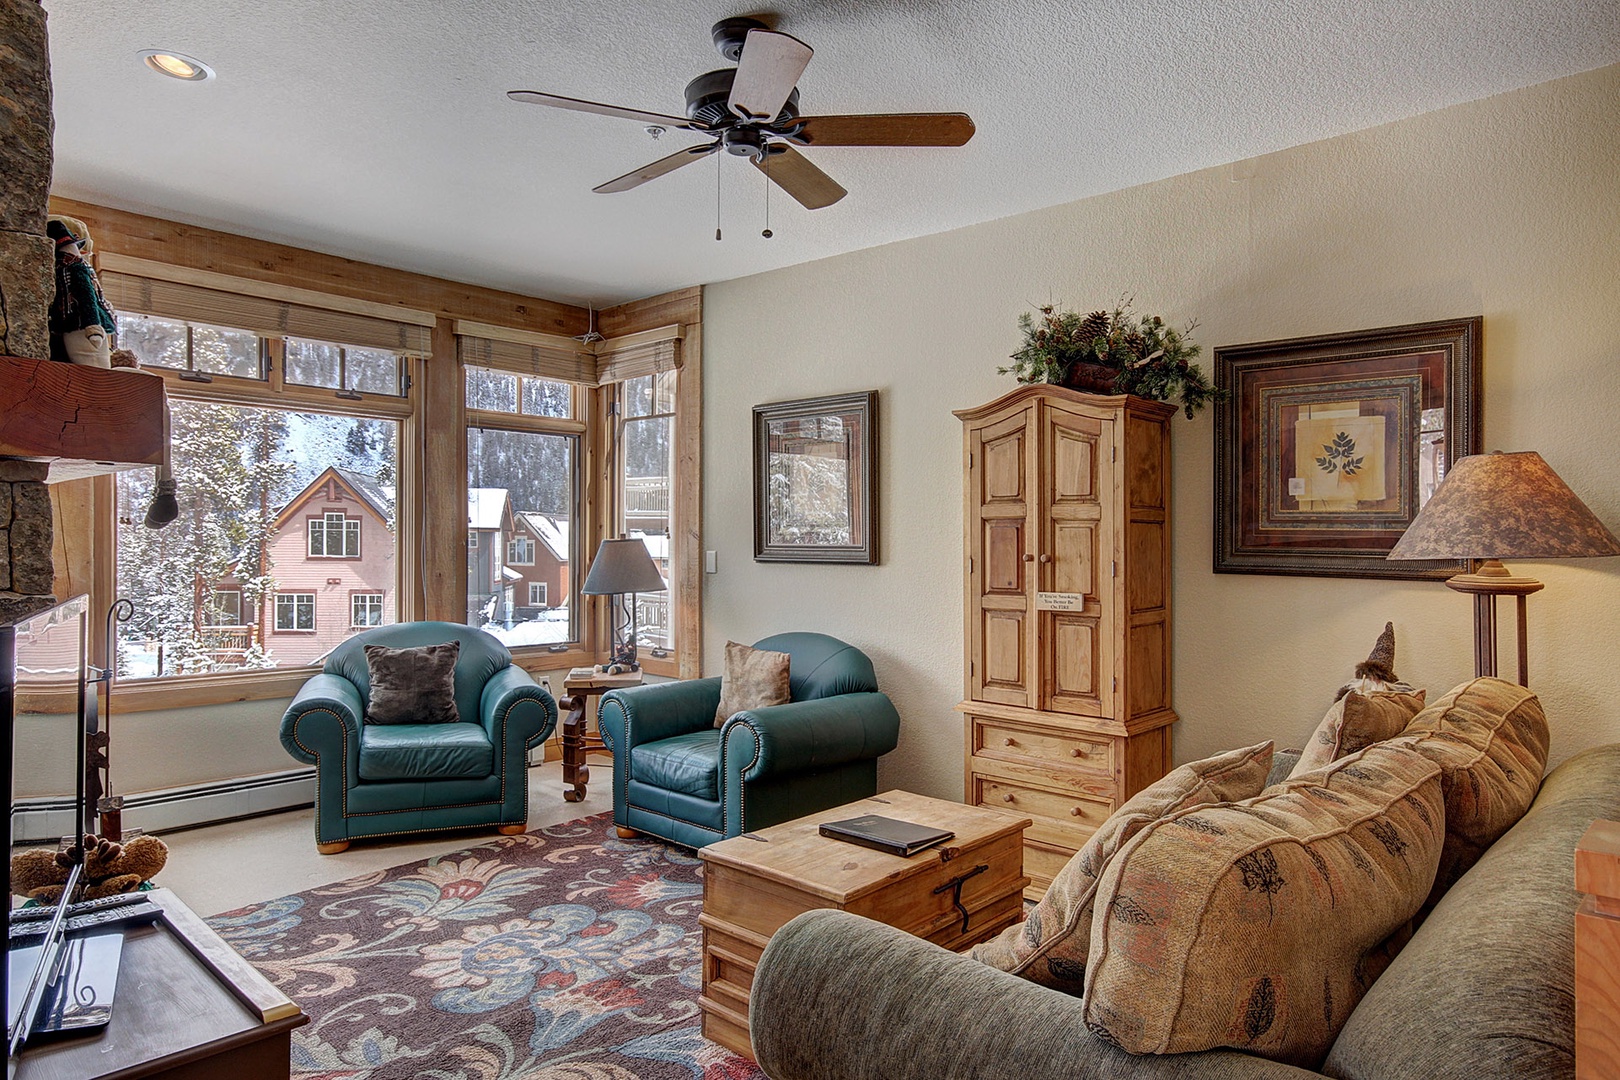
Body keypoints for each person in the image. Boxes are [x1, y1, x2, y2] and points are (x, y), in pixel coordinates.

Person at [47, 217, 117, 366]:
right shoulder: (75, 266)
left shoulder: (64, 267)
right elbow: (87, 295)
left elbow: (88, 296)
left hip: (75, 324)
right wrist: (93, 325)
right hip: (80, 325)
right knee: (94, 368)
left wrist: (93, 326)